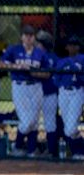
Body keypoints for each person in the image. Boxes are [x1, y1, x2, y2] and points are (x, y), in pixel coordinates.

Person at [0, 25, 50, 157]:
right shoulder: (14, 50)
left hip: (36, 86)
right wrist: (17, 66)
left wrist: (33, 72)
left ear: (34, 38)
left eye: (31, 35)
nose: (28, 38)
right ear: (22, 37)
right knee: (26, 121)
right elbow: (1, 64)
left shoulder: (40, 53)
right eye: (26, 35)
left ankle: (31, 151)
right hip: (20, 86)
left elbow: (47, 73)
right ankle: (17, 145)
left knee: (34, 122)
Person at [53, 36, 84, 159]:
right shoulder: (62, 61)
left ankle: (80, 150)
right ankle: (77, 152)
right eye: (70, 45)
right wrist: (61, 85)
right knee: (67, 129)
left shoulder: (82, 59)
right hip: (63, 93)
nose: (73, 47)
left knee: (71, 128)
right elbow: (56, 79)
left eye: (75, 45)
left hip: (77, 92)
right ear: (66, 47)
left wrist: (77, 71)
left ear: (79, 47)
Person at [35, 30, 60, 158]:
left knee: (50, 123)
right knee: (32, 121)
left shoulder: (51, 58)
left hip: (49, 93)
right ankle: (34, 149)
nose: (36, 45)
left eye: (38, 43)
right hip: (35, 94)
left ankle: (51, 150)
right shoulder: (35, 55)